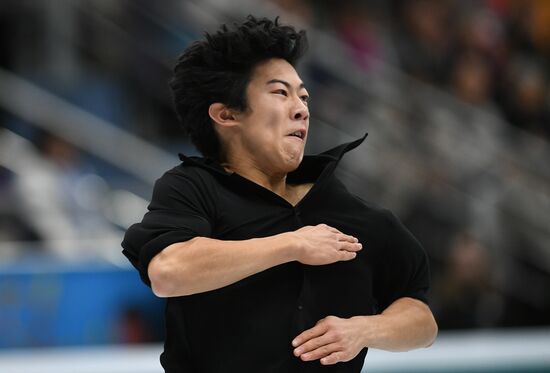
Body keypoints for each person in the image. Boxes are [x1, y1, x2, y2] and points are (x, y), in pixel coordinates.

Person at [122, 15, 437, 372]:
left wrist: (365, 329)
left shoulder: (351, 213)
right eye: (280, 93)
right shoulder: (192, 189)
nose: (302, 109)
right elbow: (169, 271)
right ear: (226, 115)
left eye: (303, 96)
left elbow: (421, 318)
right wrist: (291, 245)